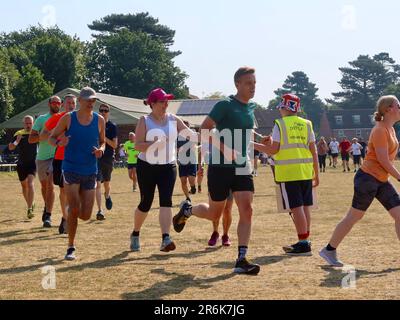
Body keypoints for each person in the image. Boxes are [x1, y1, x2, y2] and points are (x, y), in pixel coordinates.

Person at [173, 67, 261, 275]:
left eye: (255, 83)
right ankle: (188, 210)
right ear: (237, 84)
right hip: (220, 167)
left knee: (247, 209)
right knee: (215, 213)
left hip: (242, 166)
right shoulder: (224, 105)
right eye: (248, 83)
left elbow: (244, 131)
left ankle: (241, 258)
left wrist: (259, 139)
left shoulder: (251, 107)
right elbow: (203, 130)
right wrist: (225, 148)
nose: (253, 87)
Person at [320, 95, 400, 267]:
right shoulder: (379, 130)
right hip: (368, 179)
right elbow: (383, 160)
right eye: (398, 105)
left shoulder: (391, 129)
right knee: (354, 217)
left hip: (381, 180)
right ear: (388, 109)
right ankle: (329, 249)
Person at [129, 88, 197, 253]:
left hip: (168, 166)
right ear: (152, 103)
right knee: (146, 203)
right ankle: (135, 233)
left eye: (167, 101)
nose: (166, 104)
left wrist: (215, 136)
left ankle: (165, 238)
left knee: (166, 201)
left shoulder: (173, 119)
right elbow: (138, 145)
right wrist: (155, 143)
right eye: (162, 101)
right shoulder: (144, 120)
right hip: (147, 166)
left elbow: (192, 135)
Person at [254, 93, 319, 256]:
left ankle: (303, 242)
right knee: (305, 207)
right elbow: (313, 150)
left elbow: (274, 150)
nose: (280, 111)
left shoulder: (279, 124)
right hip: (305, 171)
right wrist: (316, 173)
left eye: (281, 108)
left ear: (284, 108)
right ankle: (306, 239)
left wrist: (253, 145)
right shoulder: (307, 123)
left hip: (288, 172)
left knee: (296, 207)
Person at [49, 87, 106, 261]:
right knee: (74, 209)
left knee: (86, 214)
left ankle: (70, 209)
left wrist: (101, 150)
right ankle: (71, 246)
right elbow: (51, 138)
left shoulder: (99, 120)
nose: (91, 103)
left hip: (90, 171)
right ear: (79, 101)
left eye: (93, 100)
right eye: (88, 99)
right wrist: (60, 142)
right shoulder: (68, 118)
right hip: (71, 168)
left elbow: (103, 142)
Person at [42, 93, 77, 234]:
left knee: (74, 190)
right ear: (63, 104)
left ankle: (69, 216)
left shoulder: (81, 119)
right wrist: (56, 138)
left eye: (73, 103)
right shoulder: (57, 118)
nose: (71, 105)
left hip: (77, 158)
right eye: (68, 102)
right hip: (60, 158)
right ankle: (65, 217)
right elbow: (44, 134)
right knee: (63, 190)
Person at [29, 96, 61, 228]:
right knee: (44, 187)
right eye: (54, 102)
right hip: (41, 157)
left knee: (50, 185)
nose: (56, 104)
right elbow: (31, 139)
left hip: (56, 156)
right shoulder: (41, 119)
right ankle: (46, 207)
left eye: (59, 102)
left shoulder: (63, 118)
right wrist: (43, 136)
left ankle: (48, 215)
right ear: (49, 104)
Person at [8, 116, 37, 219]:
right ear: (23, 124)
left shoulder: (35, 133)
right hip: (21, 164)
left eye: (30, 123)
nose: (28, 125)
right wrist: (17, 141)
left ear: (33, 123)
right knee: (24, 186)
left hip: (33, 163)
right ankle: (31, 203)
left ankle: (29, 209)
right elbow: (11, 147)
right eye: (26, 123)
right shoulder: (18, 133)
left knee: (30, 183)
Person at [95, 103, 118, 221]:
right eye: (101, 110)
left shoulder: (112, 126)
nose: (103, 112)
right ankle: (100, 210)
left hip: (108, 157)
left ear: (109, 112)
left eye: (106, 110)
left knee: (106, 183)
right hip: (96, 157)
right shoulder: (94, 124)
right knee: (97, 183)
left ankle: (107, 195)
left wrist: (104, 139)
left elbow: (114, 144)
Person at [177, 121, 198, 202]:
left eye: (187, 127)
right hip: (182, 161)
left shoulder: (192, 135)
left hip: (191, 160)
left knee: (191, 179)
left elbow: (193, 145)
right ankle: (188, 198)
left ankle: (193, 187)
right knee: (183, 181)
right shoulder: (178, 137)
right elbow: (176, 149)